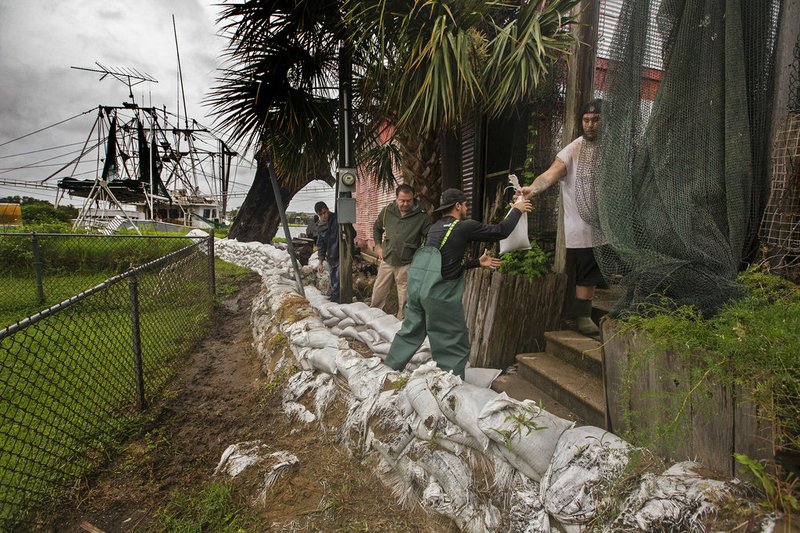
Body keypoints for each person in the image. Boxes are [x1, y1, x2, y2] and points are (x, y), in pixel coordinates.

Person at [384, 188, 532, 378]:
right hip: (438, 293)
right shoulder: (463, 226)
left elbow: (443, 263)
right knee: (451, 338)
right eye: (465, 205)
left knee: (411, 331)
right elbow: (501, 231)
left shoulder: (435, 227)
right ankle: (448, 383)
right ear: (458, 206)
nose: (466, 208)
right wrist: (517, 210)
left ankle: (388, 371)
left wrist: (477, 262)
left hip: (417, 287)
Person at [519, 98, 604, 336]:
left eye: (596, 120)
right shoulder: (574, 148)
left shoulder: (613, 146)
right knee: (586, 269)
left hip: (608, 225)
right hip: (583, 226)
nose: (590, 125)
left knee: (601, 270)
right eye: (586, 120)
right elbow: (550, 174)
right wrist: (532, 189)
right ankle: (583, 315)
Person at [371, 183, 432, 319]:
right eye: (402, 200)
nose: (405, 204)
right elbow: (377, 228)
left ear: (413, 198)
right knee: (378, 293)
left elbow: (430, 237)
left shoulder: (421, 216)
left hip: (407, 263)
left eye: (408, 201)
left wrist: (422, 257)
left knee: (404, 299)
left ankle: (401, 324)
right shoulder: (387, 211)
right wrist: (378, 246)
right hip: (387, 259)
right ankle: (374, 319)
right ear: (396, 198)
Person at [314, 201, 341, 303]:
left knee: (339, 280)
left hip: (341, 256)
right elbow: (321, 244)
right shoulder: (321, 226)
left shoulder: (337, 219)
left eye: (324, 212)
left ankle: (338, 302)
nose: (324, 216)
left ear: (327, 210)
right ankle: (335, 302)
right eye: (321, 214)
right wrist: (320, 262)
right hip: (331, 257)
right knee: (334, 280)